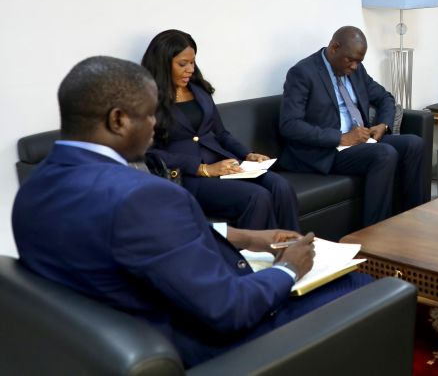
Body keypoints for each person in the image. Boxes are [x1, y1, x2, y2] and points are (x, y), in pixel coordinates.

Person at [12, 56, 371, 367]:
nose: (155, 126)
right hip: (201, 346)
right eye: (149, 115)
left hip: (100, 349)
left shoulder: (33, 190)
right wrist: (289, 268)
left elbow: (130, 242)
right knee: (361, 285)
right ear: (118, 120)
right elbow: (229, 310)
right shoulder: (144, 196)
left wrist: (242, 236)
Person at [142, 30, 299, 231]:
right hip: (187, 177)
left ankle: (292, 245)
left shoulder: (199, 90)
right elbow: (149, 153)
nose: (190, 69)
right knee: (257, 197)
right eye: (183, 64)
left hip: (224, 165)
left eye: (193, 62)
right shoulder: (146, 101)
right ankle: (258, 251)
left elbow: (221, 133)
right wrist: (203, 169)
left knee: (281, 186)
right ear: (163, 64)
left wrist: (247, 154)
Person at [278, 26, 425, 226]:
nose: (354, 66)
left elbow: (385, 98)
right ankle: (376, 233)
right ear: (334, 48)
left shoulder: (356, 70)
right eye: (350, 60)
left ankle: (413, 221)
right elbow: (289, 124)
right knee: (384, 154)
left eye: (359, 61)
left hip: (361, 141)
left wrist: (383, 124)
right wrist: (341, 138)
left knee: (414, 144)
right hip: (328, 150)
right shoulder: (303, 73)